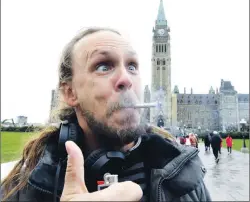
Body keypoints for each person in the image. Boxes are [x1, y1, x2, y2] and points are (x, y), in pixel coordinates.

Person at [1, 27, 211, 202]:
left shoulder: (186, 180)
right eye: (103, 66)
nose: (126, 79)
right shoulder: (21, 189)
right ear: (70, 92)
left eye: (132, 66)